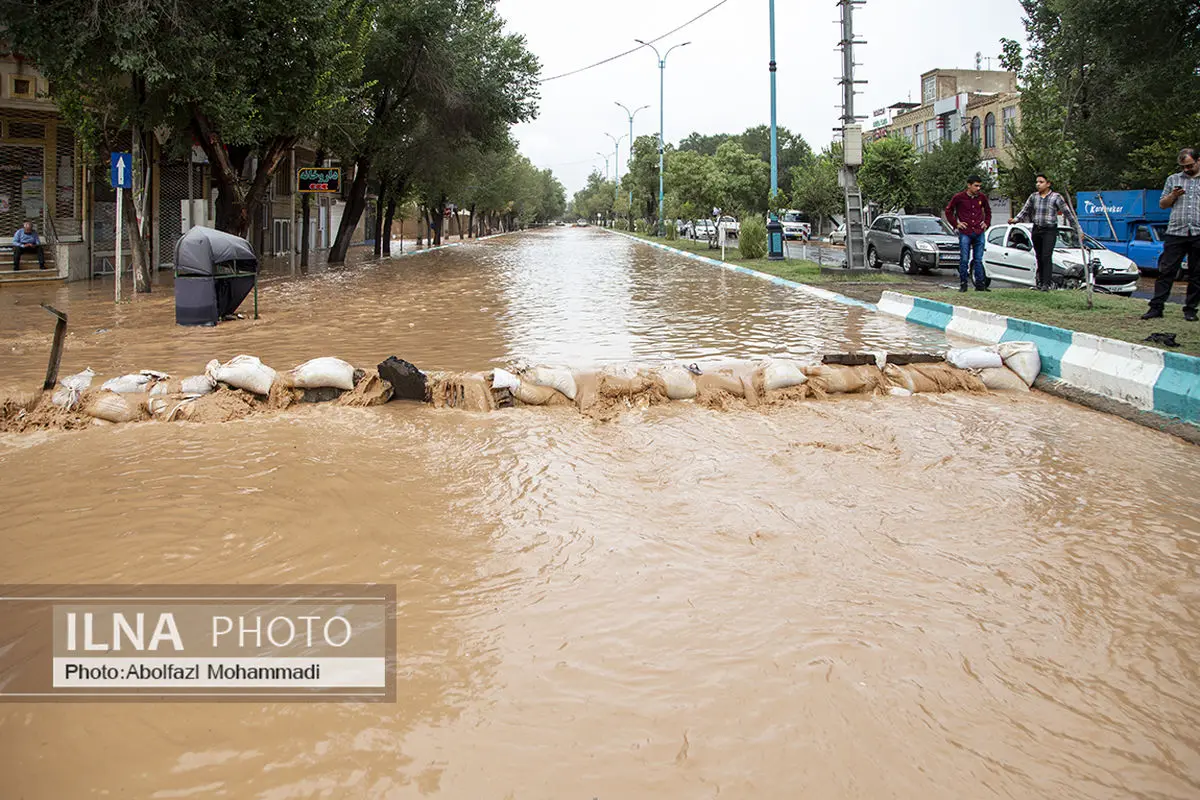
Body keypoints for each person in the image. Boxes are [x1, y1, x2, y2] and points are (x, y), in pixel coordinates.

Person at [1142, 147, 1200, 322]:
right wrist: (1173, 195)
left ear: (1198, 161)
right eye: (1183, 166)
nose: (1186, 170)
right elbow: (1163, 204)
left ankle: (1190, 310)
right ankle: (1156, 308)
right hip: (1176, 232)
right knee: (1166, 271)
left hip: (1198, 232)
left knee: (1197, 273)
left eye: (1189, 166)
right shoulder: (1173, 179)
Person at [1009, 174, 1078, 291]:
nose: (1038, 184)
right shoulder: (1033, 197)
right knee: (1039, 256)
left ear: (1048, 184)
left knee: (1046, 256)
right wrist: (1015, 220)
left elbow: (1068, 214)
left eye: (1041, 182)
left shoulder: (1056, 197)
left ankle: (1047, 283)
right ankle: (1040, 282)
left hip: (1049, 230)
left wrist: (1077, 229)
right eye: (1037, 182)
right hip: (1037, 229)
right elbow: (1025, 210)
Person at [944, 175, 992, 292]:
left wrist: (986, 222)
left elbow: (988, 210)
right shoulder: (959, 197)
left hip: (979, 231)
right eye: (976, 185)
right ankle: (963, 284)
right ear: (969, 185)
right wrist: (956, 224)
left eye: (980, 186)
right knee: (964, 258)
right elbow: (948, 210)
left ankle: (980, 285)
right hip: (965, 231)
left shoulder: (981, 197)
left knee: (978, 259)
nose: (978, 188)